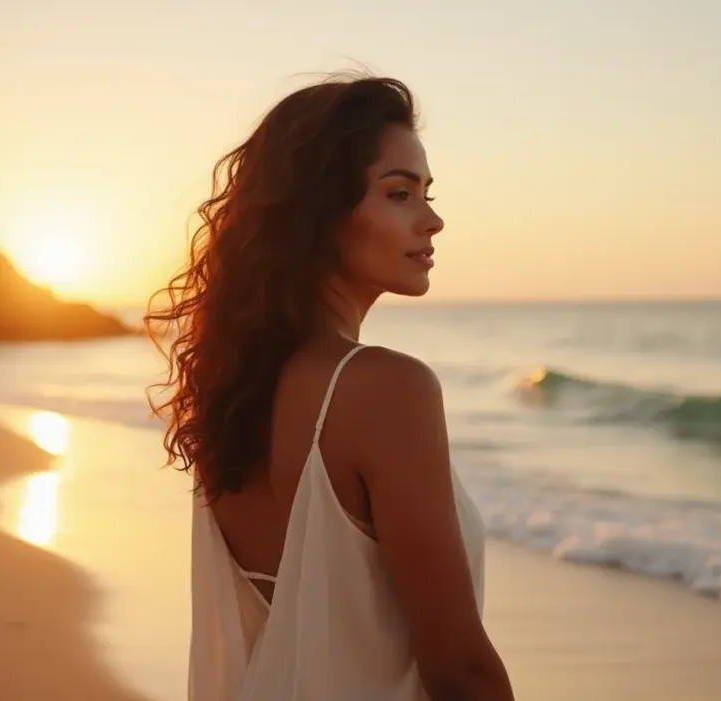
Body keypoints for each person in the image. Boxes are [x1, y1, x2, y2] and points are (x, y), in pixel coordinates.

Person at [147, 73, 514, 701]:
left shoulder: (232, 396)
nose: (432, 221)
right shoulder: (385, 389)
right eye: (399, 194)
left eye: (426, 194)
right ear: (319, 213)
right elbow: (460, 668)